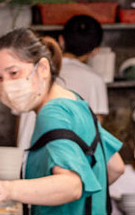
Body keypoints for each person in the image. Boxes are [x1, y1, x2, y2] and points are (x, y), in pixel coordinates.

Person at [0, 28, 124, 215]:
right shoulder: (75, 102)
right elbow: (115, 166)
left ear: (42, 69)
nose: (6, 85)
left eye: (14, 73)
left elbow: (71, 186)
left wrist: (7, 188)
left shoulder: (53, 113)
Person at [16, 14, 109, 151]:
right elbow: (96, 133)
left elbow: (21, 127)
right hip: (69, 163)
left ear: (60, 40)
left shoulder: (32, 72)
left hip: (25, 160)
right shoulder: (95, 81)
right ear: (95, 51)